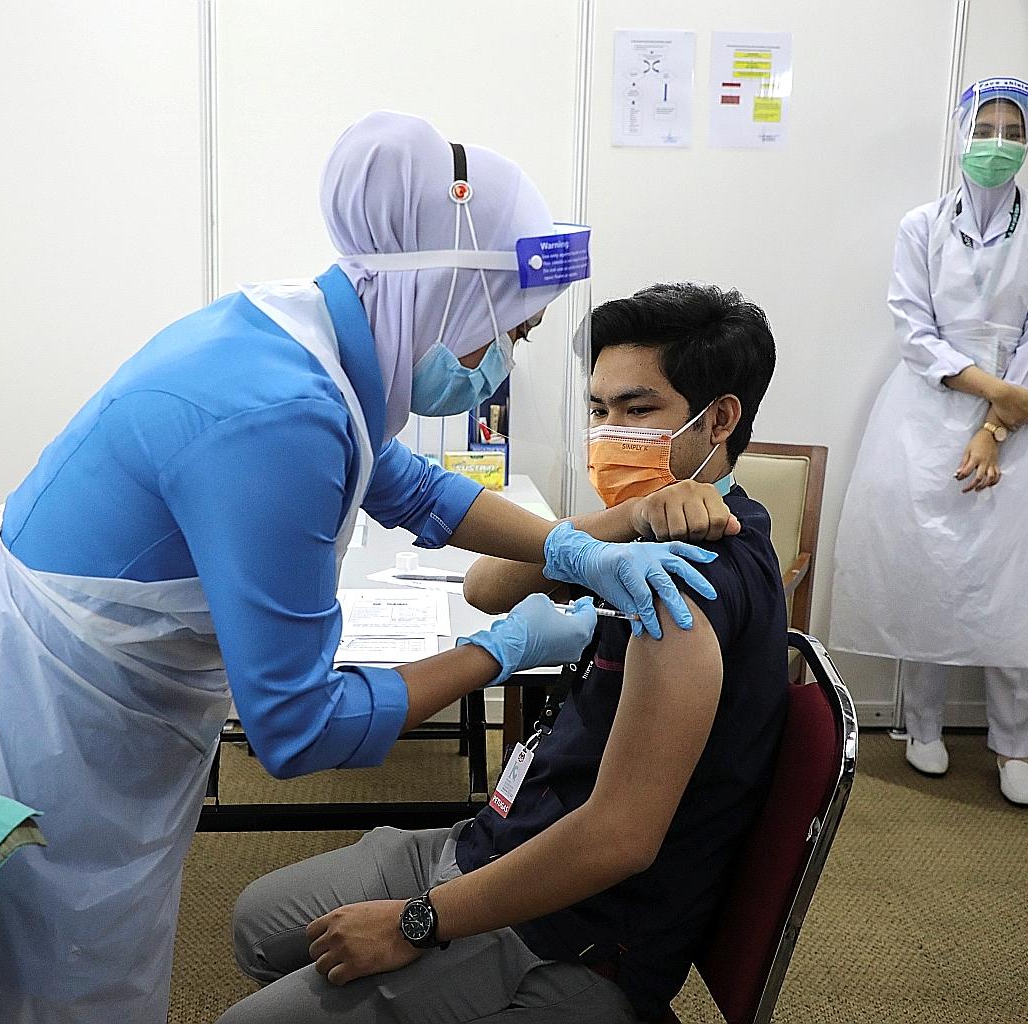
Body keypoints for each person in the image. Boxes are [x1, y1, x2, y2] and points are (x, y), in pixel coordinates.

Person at [0, 112, 722, 1024]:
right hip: (6, 750)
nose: (497, 366)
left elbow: (399, 478)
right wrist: (501, 648)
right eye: (506, 335)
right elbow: (295, 729)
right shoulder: (281, 413)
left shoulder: (297, 327)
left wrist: (569, 545)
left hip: (27, 706)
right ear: (446, 297)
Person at [220, 282, 786, 1024]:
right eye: (599, 409)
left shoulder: (687, 585)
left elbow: (618, 838)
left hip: (566, 933)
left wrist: (416, 921)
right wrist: (626, 515)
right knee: (258, 925)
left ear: (719, 420)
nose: (611, 433)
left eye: (638, 410)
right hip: (499, 836)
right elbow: (488, 586)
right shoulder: (653, 537)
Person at [829, 77, 1028, 807]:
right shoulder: (921, 225)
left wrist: (996, 426)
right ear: (961, 135)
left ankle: (1015, 745)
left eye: (1013, 131)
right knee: (931, 568)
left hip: (1026, 410)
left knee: (1020, 580)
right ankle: (921, 726)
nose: (996, 144)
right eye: (983, 128)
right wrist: (989, 395)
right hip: (929, 409)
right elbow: (913, 330)